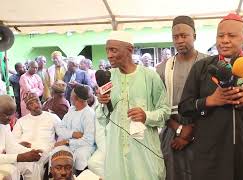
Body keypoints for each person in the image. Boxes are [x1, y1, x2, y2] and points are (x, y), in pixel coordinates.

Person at [178, 13, 243, 180]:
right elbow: (184, 108)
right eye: (220, 35)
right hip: (210, 155)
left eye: (231, 36)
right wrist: (210, 101)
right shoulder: (201, 68)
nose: (224, 40)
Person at [96, 30, 170, 180]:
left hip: (143, 150)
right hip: (116, 149)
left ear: (129, 50)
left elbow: (165, 111)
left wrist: (146, 115)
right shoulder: (109, 77)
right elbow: (103, 120)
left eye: (113, 50)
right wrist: (103, 104)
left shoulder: (149, 76)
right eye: (107, 50)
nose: (109, 55)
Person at [156, 15, 208, 180]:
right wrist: (179, 129)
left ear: (195, 36)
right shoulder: (163, 68)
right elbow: (159, 106)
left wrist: (191, 132)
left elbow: (214, 101)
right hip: (173, 132)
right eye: (175, 37)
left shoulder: (209, 63)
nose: (179, 40)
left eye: (184, 36)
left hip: (204, 131)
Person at [55, 85, 96, 175]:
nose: (69, 96)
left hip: (84, 147)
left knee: (80, 156)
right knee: (56, 154)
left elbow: (89, 140)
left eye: (71, 94)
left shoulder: (89, 114)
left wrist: (67, 142)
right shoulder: (72, 109)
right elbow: (59, 128)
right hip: (69, 143)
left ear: (75, 98)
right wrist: (73, 134)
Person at [0, 95, 43, 180]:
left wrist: (30, 153)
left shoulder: (4, 124)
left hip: (4, 158)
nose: (10, 119)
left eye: (11, 114)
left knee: (32, 164)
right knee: (11, 170)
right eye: (6, 115)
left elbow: (11, 146)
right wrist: (20, 157)